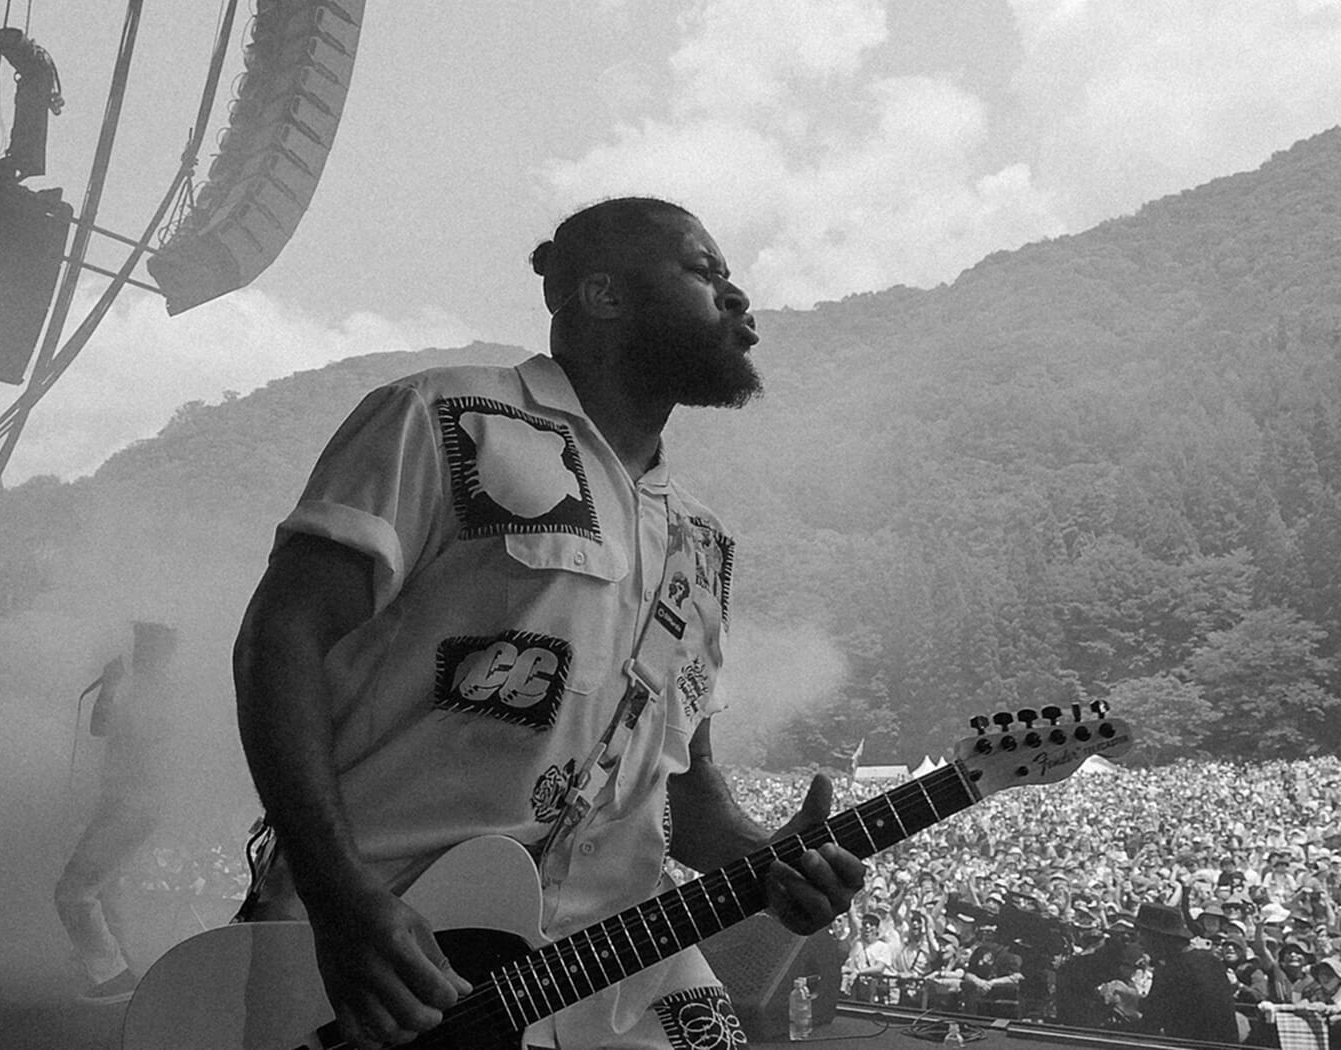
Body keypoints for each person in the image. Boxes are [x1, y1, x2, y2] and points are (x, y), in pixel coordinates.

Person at [232, 196, 866, 1050]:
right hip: (393, 960)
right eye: (706, 271)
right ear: (601, 293)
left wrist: (767, 858)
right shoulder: (442, 418)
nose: (739, 296)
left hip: (608, 975)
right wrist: (340, 895)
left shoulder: (702, 542)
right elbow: (282, 640)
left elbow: (684, 788)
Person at [55, 620, 177, 1004]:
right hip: (120, 803)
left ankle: (112, 975)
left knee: (73, 892)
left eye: (148, 644)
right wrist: (109, 686)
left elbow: (136, 733)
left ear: (163, 651)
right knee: (103, 891)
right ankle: (126, 972)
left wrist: (115, 689)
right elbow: (98, 728)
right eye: (139, 642)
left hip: (134, 805)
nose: (139, 650)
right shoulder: (137, 687)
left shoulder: (162, 693)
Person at [1135, 901, 1239, 1042]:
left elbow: (1151, 1021)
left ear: (1160, 938)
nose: (1140, 941)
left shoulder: (1172, 971)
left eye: (1144, 934)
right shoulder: (1210, 961)